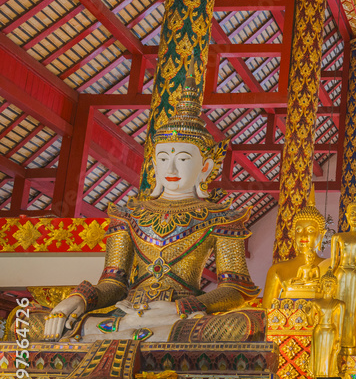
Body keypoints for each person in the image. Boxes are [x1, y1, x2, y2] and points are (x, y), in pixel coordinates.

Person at [42, 67, 259, 343]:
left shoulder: (222, 217)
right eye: (163, 159)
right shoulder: (129, 215)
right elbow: (114, 283)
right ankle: (135, 332)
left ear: (205, 167)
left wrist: (183, 307)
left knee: (246, 324)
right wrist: (79, 298)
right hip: (127, 311)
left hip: (180, 316)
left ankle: (123, 334)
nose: (171, 168)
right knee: (31, 322)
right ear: (154, 164)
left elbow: (235, 288)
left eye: (183, 159)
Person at [260, 196, 326, 308]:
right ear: (292, 234)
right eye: (298, 230)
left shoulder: (330, 266)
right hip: (285, 318)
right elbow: (267, 311)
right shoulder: (277, 270)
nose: (303, 235)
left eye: (310, 230)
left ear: (322, 235)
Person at [327, 200, 356, 355]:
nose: (355, 216)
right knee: (337, 311)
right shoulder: (337, 237)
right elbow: (333, 264)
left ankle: (350, 346)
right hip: (340, 275)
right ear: (346, 216)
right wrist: (327, 284)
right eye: (352, 213)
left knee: (352, 311)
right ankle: (335, 345)